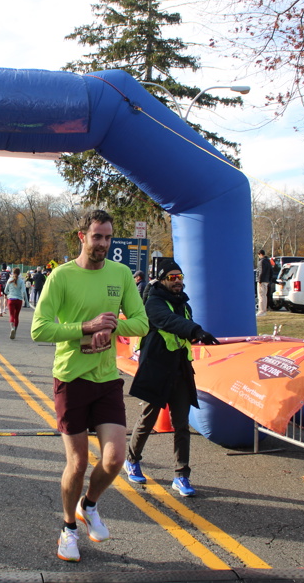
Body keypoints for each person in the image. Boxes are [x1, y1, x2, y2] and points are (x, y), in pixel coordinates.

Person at [31, 210, 149, 562]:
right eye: (97, 237)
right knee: (78, 463)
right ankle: (68, 528)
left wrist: (110, 328)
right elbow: (39, 329)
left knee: (114, 460)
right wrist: (86, 327)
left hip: (107, 378)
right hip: (71, 378)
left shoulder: (121, 273)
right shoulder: (61, 276)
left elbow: (141, 322)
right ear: (81, 237)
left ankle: (89, 505)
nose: (103, 244)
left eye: (108, 237)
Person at [124, 263, 219, 497]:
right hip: (157, 369)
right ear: (162, 280)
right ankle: (132, 460)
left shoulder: (184, 305)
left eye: (180, 277)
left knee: (181, 424)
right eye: (172, 277)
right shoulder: (153, 302)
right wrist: (196, 330)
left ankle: (181, 475)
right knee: (148, 418)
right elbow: (168, 321)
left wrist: (197, 336)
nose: (177, 281)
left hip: (180, 370)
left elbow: (183, 330)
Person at [4, 267, 27, 338]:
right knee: (16, 316)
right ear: (19, 273)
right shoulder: (21, 281)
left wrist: (8, 294)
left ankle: (12, 328)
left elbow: (5, 291)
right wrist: (26, 301)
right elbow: (24, 292)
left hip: (11, 299)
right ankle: (15, 331)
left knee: (12, 315)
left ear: (13, 272)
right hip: (19, 300)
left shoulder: (9, 280)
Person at [256, 249, 271, 316]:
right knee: (264, 296)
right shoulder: (268, 261)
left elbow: (261, 271)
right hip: (266, 281)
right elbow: (271, 271)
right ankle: (264, 310)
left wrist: (259, 280)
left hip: (262, 281)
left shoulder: (261, 262)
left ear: (260, 254)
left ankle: (261, 310)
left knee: (261, 296)